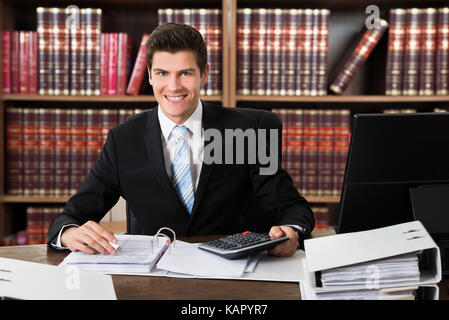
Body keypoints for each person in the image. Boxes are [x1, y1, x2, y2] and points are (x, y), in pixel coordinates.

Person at [47, 23, 314, 257]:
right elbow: (70, 217)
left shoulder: (246, 131)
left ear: (204, 74)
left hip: (232, 275)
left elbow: (293, 208)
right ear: (149, 75)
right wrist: (68, 233)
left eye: (185, 73)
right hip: (155, 280)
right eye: (163, 73)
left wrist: (291, 231)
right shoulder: (123, 139)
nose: (173, 86)